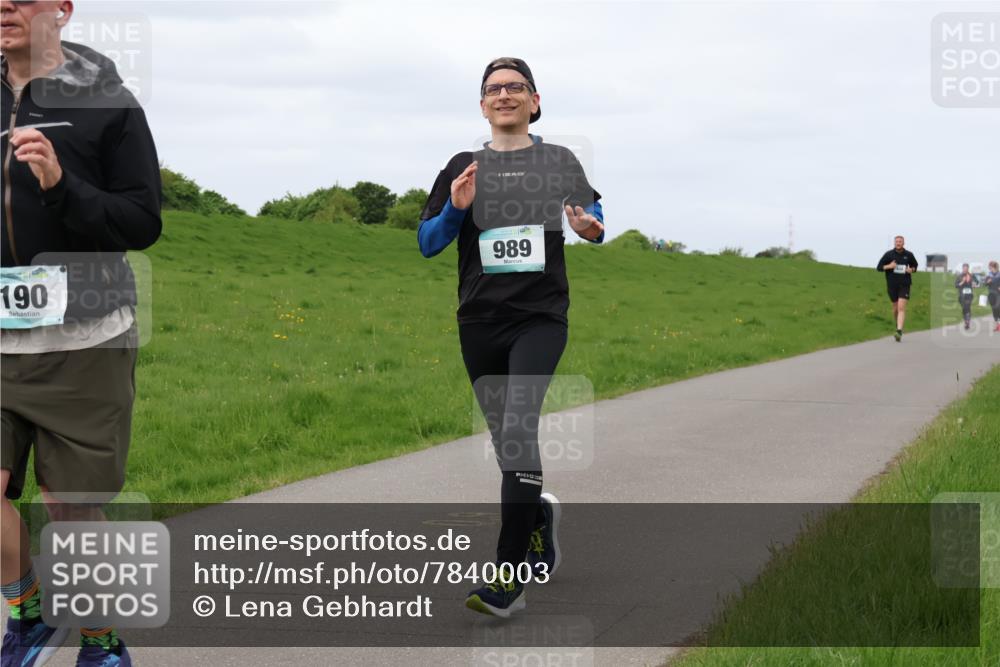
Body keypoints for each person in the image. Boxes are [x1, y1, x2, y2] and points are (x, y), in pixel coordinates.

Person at [1, 2, 161, 665]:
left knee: (69, 507)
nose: (5, 5)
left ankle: (100, 640)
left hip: (84, 341)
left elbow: (141, 220)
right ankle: (28, 611)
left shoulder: (108, 103)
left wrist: (61, 185)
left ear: (62, 10)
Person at [417, 57, 604, 617]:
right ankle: (536, 515)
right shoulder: (462, 165)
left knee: (519, 430)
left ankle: (508, 578)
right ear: (482, 106)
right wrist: (456, 210)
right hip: (479, 321)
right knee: (508, 445)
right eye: (493, 88)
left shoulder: (559, 160)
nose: (504, 94)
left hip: (540, 317)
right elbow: (428, 243)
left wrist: (588, 225)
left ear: (534, 101)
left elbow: (592, 216)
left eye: (515, 87)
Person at [876, 236, 918, 342]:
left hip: (905, 284)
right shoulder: (888, 254)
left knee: (901, 307)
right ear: (894, 243)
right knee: (895, 308)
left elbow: (915, 266)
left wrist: (911, 270)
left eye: (900, 241)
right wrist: (889, 266)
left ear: (903, 243)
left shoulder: (909, 254)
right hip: (892, 285)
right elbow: (879, 267)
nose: (898, 243)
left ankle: (899, 331)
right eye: (897, 242)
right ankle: (898, 325)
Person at [955, 264, 980, 331]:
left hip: (969, 295)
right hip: (961, 295)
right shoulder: (959, 276)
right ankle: (966, 320)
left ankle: (967, 322)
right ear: (962, 268)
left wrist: (975, 284)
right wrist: (962, 281)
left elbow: (977, 283)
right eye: (964, 268)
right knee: (964, 308)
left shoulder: (971, 276)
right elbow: (956, 285)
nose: (965, 270)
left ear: (968, 269)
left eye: (966, 269)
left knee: (967, 307)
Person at [986, 261, 1000, 333]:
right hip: (991, 294)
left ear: (993, 267)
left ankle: (999, 325)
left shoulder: (999, 274)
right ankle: (997, 325)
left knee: (998, 307)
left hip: (998, 294)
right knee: (994, 309)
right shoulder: (989, 275)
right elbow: (985, 283)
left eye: (990, 266)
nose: (989, 268)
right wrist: (987, 282)